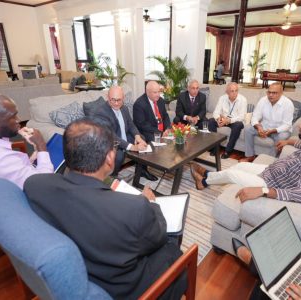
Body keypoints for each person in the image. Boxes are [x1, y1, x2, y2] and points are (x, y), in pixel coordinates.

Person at [24, 119, 186, 300]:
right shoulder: (136, 208)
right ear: (109, 158)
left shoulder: (34, 184)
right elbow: (158, 236)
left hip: (78, 274)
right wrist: (151, 204)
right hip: (121, 289)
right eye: (115, 146)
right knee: (172, 248)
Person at [190, 107, 301, 206]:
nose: (299, 126)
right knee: (239, 166)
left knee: (232, 173)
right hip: (274, 171)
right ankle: (210, 175)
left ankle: (204, 181)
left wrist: (264, 191)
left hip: (273, 183)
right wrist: (288, 141)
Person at [93, 85, 147, 175]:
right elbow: (111, 136)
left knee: (142, 138)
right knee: (118, 155)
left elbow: (131, 124)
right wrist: (132, 147)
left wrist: (137, 137)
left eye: (119, 100)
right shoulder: (101, 112)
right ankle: (112, 178)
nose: (116, 103)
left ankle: (141, 171)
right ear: (107, 97)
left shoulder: (124, 108)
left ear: (123, 98)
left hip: (122, 137)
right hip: (108, 142)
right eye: (113, 100)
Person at [241, 82, 294, 162]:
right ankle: (250, 156)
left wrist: (273, 130)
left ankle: (269, 161)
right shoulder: (263, 100)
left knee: (282, 137)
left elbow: (287, 124)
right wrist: (259, 127)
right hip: (264, 128)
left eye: (274, 93)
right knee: (248, 128)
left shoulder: (288, 104)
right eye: (269, 92)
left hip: (280, 131)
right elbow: (255, 117)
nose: (270, 95)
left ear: (281, 93)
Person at [133, 80, 172, 181]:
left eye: (159, 91)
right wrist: (160, 133)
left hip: (160, 129)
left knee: (174, 139)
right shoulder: (139, 104)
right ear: (147, 92)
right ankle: (142, 170)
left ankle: (167, 163)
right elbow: (142, 125)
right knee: (155, 141)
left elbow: (165, 116)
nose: (158, 94)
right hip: (146, 131)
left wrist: (167, 128)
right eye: (155, 92)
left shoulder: (161, 101)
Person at [208, 82, 247, 159]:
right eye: (232, 91)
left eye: (236, 90)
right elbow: (216, 112)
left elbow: (242, 117)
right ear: (227, 92)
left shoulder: (243, 100)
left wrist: (228, 120)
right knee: (211, 121)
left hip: (235, 121)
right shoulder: (222, 98)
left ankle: (228, 151)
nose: (234, 93)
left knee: (238, 125)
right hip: (223, 119)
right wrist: (218, 119)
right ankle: (215, 148)